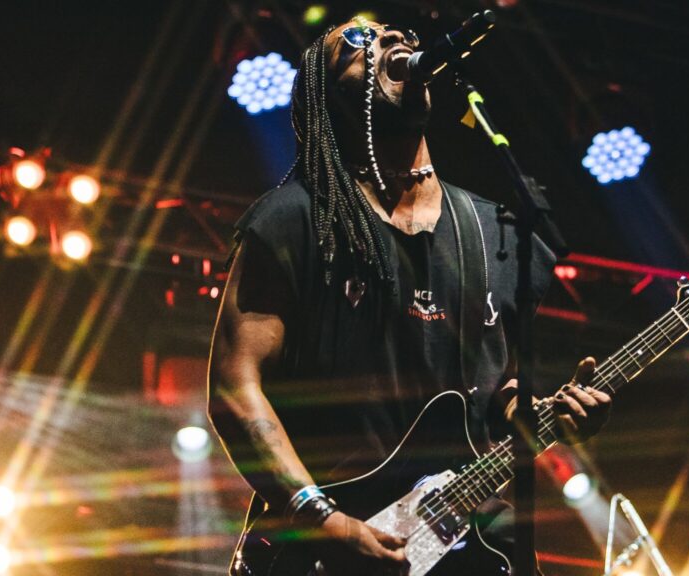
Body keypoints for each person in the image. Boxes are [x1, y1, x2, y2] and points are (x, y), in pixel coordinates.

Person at [207, 16, 612, 575]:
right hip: (318, 553)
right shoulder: (296, 219)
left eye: (397, 33)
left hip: (465, 550)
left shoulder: (493, 232)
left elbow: (495, 382)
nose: (392, 39)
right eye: (356, 41)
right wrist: (322, 519)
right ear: (327, 96)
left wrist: (542, 414)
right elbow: (234, 387)